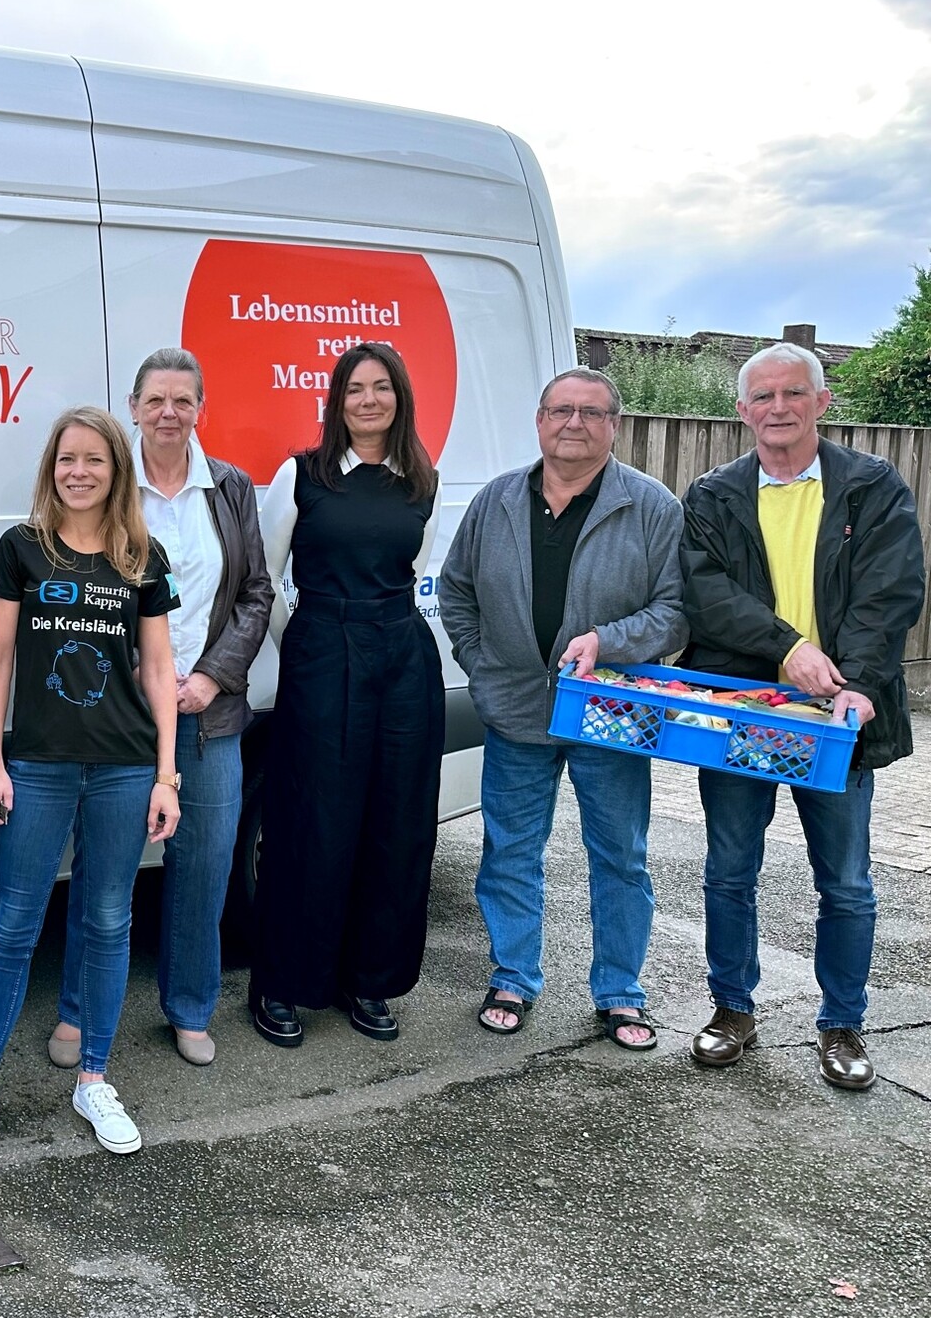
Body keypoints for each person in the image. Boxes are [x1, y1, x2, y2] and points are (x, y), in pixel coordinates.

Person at [0, 405, 181, 1173]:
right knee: (14, 927)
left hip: (124, 768)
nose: (79, 472)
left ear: (116, 471)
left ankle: (95, 1082)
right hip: (36, 766)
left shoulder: (143, 556)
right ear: (52, 469)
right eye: (67, 459)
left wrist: (166, 775)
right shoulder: (22, 548)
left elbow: (159, 669)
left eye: (94, 460)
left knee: (107, 921)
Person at [680, 342, 924, 1090]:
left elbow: (890, 591)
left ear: (823, 402)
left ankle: (842, 1023)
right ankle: (732, 1011)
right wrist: (789, 649)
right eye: (763, 396)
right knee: (729, 871)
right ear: (742, 411)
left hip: (838, 716)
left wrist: (862, 683)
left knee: (845, 883)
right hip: (745, 713)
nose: (778, 407)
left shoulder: (871, 486)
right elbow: (706, 594)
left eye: (794, 393)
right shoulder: (713, 494)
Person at [440, 366, 686, 1049]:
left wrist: (608, 642)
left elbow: (675, 611)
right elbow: (457, 591)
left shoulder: (652, 507)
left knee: (621, 857)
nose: (574, 423)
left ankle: (621, 993)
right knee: (510, 853)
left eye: (591, 412)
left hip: (611, 711)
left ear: (614, 426)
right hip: (515, 710)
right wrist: (482, 665)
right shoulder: (496, 500)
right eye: (561, 410)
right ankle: (513, 977)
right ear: (540, 421)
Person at [50, 350, 268, 1068]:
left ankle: (191, 1007)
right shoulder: (110, 487)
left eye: (183, 400)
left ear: (201, 408)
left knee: (203, 866)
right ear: (134, 406)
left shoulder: (229, 488)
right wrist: (123, 681)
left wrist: (211, 678)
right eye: (156, 400)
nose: (169, 413)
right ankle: (80, 1010)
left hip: (208, 715)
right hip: (121, 715)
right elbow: (79, 593)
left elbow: (255, 594)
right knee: (102, 869)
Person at [247, 343, 442, 1047]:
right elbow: (264, 578)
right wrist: (303, 647)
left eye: (381, 387)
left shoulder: (421, 479)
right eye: (355, 388)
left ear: (400, 397)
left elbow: (413, 569)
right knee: (312, 822)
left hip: (402, 661)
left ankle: (369, 978)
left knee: (395, 825)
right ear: (336, 401)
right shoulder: (301, 475)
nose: (368, 400)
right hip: (323, 655)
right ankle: (284, 983)